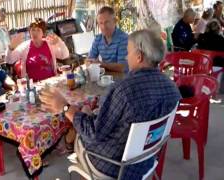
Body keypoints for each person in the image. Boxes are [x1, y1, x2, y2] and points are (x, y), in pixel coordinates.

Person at [40, 29, 181, 179]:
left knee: (80, 137)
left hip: (115, 167)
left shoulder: (123, 90)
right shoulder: (172, 88)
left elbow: (92, 134)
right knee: (90, 115)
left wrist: (65, 106)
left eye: (128, 53)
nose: (126, 58)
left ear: (139, 57)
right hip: (147, 160)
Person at [5, 18, 69, 82]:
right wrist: (11, 47)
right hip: (33, 86)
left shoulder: (50, 44)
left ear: (43, 33)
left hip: (51, 82)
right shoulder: (24, 46)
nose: (35, 33)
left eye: (38, 30)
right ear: (29, 32)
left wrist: (59, 42)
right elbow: (9, 60)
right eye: (33, 30)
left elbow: (64, 55)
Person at [86, 6, 128, 73]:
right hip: (105, 78)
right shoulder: (98, 39)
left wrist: (101, 64)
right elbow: (89, 61)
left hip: (122, 79)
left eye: (107, 22)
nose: (103, 27)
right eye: (101, 23)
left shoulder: (123, 39)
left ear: (115, 21)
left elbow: (122, 67)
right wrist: (90, 63)